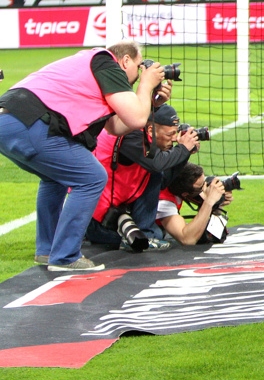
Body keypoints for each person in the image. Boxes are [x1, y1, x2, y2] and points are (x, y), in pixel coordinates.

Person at [0, 42, 167, 271]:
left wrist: (152, 104)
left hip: (10, 121)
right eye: (139, 67)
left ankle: (48, 250)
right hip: (31, 122)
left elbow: (116, 127)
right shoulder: (108, 64)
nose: (139, 74)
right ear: (126, 60)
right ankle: (65, 257)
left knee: (56, 178)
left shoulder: (94, 66)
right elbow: (138, 120)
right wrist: (147, 86)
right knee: (92, 177)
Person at [87, 104, 198, 252]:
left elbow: (163, 180)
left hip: (117, 208)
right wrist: (183, 149)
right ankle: (138, 233)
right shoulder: (130, 137)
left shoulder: (142, 135)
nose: (174, 139)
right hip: (98, 218)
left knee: (156, 233)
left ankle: (142, 230)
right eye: (170, 134)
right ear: (151, 130)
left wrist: (185, 153)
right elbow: (157, 164)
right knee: (147, 238)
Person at [155, 162, 230, 245]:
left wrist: (218, 201)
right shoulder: (164, 202)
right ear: (185, 194)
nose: (205, 188)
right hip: (146, 230)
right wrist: (209, 201)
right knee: (157, 234)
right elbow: (187, 240)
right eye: (201, 187)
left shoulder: (174, 182)